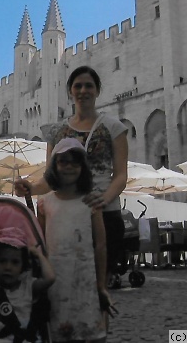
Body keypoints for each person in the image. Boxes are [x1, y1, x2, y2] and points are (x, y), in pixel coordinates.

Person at [15, 65, 129, 282]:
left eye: (89, 85)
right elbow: (51, 179)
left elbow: (121, 175)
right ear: (69, 91)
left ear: (97, 90)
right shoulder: (56, 132)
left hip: (105, 214)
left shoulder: (114, 128)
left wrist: (103, 199)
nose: (83, 90)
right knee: (66, 283)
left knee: (100, 284)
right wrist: (31, 187)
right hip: (66, 215)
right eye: (78, 86)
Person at [38, 137, 116, 342]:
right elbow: (40, 245)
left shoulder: (91, 201)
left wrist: (101, 286)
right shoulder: (45, 203)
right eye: (63, 161)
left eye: (75, 161)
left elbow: (100, 245)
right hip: (56, 281)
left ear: (83, 166)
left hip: (85, 279)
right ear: (54, 165)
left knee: (89, 332)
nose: (69, 167)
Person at [0, 227, 55, 343]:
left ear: (23, 266)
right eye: (2, 261)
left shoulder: (28, 286)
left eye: (15, 262)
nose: (8, 267)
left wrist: (38, 255)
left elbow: (50, 278)